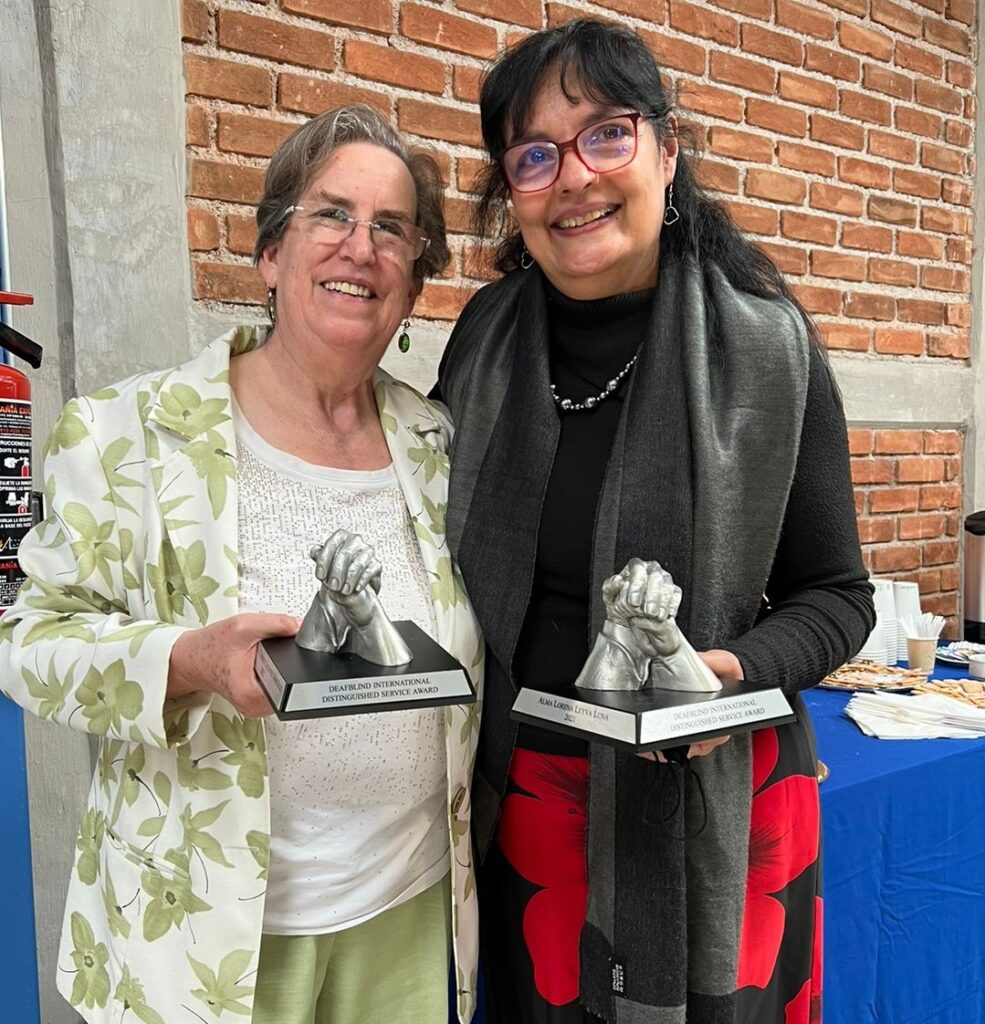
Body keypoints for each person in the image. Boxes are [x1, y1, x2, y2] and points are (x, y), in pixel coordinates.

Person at [0, 104, 483, 1024]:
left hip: (411, 914)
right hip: (203, 940)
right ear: (270, 253)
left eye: (391, 229)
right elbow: (27, 641)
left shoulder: (439, 444)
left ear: (415, 283)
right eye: (330, 215)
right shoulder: (127, 434)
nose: (360, 246)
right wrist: (191, 662)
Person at [436, 20, 874, 1024]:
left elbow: (836, 597)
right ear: (511, 191)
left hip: (715, 808)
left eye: (606, 135)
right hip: (520, 808)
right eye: (534, 155)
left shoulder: (769, 346)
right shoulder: (481, 344)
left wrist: (730, 675)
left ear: (666, 153)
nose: (573, 177)